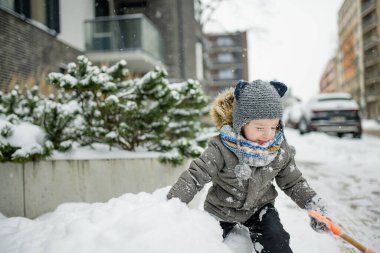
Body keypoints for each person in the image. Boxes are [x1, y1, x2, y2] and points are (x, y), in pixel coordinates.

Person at [167, 79, 328, 253]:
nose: (268, 134)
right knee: (207, 244)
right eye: (259, 128)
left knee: (277, 241)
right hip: (220, 211)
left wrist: (313, 206)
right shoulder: (221, 148)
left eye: (273, 127)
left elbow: (293, 182)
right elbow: (196, 175)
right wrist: (171, 205)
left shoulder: (279, 150)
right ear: (241, 124)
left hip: (260, 209)